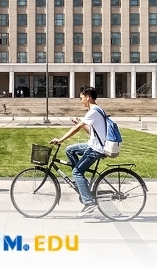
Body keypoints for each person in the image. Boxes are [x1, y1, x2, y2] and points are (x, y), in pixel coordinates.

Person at [49, 86, 108, 217]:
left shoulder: (93, 111)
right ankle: (82, 183)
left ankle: (89, 202)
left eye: (81, 98)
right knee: (70, 150)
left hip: (96, 148)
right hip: (93, 144)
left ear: (88, 97)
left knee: (76, 171)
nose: (81, 101)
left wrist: (60, 139)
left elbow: (76, 129)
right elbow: (91, 131)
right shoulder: (97, 110)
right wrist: (80, 122)